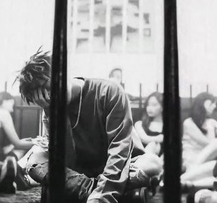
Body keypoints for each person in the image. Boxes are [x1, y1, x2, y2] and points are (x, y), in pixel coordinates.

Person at [15, 49, 162, 203]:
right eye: (43, 97)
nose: (51, 97)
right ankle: (114, 191)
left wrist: (101, 197)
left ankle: (93, 191)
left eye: (49, 87)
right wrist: (53, 113)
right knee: (35, 161)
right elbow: (65, 161)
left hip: (119, 164)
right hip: (81, 173)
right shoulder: (51, 112)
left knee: (152, 163)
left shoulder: (108, 92)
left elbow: (120, 152)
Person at [0, 92, 33, 166]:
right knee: (26, 151)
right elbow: (18, 144)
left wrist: (21, 141)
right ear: (5, 101)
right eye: (12, 103)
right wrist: (38, 143)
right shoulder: (3, 113)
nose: (12, 109)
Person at [181, 92, 217, 172]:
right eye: (211, 103)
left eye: (215, 104)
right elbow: (207, 143)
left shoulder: (212, 123)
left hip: (208, 159)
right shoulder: (188, 123)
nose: (214, 106)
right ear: (202, 103)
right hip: (192, 160)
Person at [134, 92, 164, 156]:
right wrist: (158, 138)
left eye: (154, 105)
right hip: (142, 160)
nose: (149, 108)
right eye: (148, 105)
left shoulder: (168, 127)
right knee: (153, 144)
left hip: (161, 162)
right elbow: (144, 139)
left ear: (162, 107)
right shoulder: (139, 124)